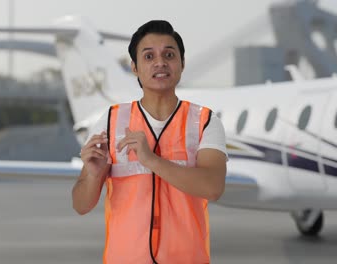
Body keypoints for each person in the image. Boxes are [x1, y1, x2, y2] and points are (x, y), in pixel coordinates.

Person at [72, 20, 227, 264]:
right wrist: (92, 175)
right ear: (134, 67)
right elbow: (81, 205)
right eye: (148, 56)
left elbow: (213, 188)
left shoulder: (204, 121)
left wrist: (151, 160)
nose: (160, 62)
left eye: (169, 54)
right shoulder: (112, 120)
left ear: (182, 64)